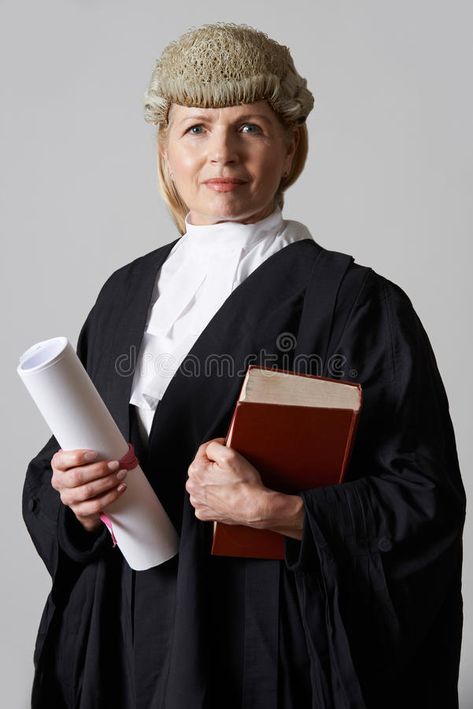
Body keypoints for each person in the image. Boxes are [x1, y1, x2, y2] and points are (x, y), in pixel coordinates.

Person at [22, 22, 466, 709]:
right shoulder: (123, 293)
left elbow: (424, 499)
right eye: (195, 128)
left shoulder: (354, 304)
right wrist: (71, 497)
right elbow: (62, 460)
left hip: (263, 653)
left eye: (250, 127)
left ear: (290, 144)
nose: (220, 152)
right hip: (121, 645)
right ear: (165, 150)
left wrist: (279, 511)